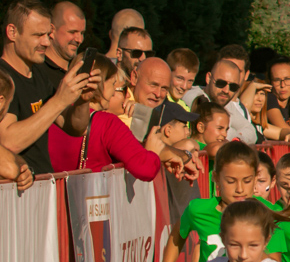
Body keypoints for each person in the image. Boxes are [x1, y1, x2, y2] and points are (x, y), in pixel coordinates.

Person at [48, 59, 190, 180]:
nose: (127, 96)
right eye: (121, 89)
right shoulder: (108, 123)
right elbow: (145, 169)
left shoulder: (56, 114)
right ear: (100, 86)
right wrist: (153, 153)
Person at [2, 0, 90, 175]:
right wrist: (58, 101)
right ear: (12, 32)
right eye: (38, 35)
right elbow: (8, 142)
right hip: (16, 188)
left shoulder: (38, 73)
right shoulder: (3, 79)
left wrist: (82, 99)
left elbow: (76, 128)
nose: (46, 43)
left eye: (47, 35)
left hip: (42, 185)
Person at [186, 58, 258, 146]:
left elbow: (251, 131)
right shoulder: (195, 97)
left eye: (233, 86)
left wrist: (237, 139)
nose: (226, 90)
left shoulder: (225, 103)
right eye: (221, 83)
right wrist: (235, 137)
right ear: (208, 78)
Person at [124, 57, 174, 142]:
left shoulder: (162, 115)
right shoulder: (119, 107)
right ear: (134, 78)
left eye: (164, 88)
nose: (158, 94)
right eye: (153, 85)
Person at [45, 1, 87, 82]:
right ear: (52, 30)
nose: (79, 40)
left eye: (82, 33)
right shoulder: (37, 72)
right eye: (72, 32)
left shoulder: (78, 74)